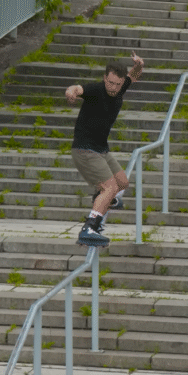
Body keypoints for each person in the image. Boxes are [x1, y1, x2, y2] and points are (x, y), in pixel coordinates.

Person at [64, 52, 144, 247]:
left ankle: (101, 199)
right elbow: (77, 88)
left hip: (101, 149)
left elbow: (133, 76)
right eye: (110, 83)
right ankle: (90, 228)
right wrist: (71, 92)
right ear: (104, 78)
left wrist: (139, 65)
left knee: (122, 182)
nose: (113, 88)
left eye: (117, 84)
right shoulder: (96, 90)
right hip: (85, 149)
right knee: (111, 188)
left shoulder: (120, 86)